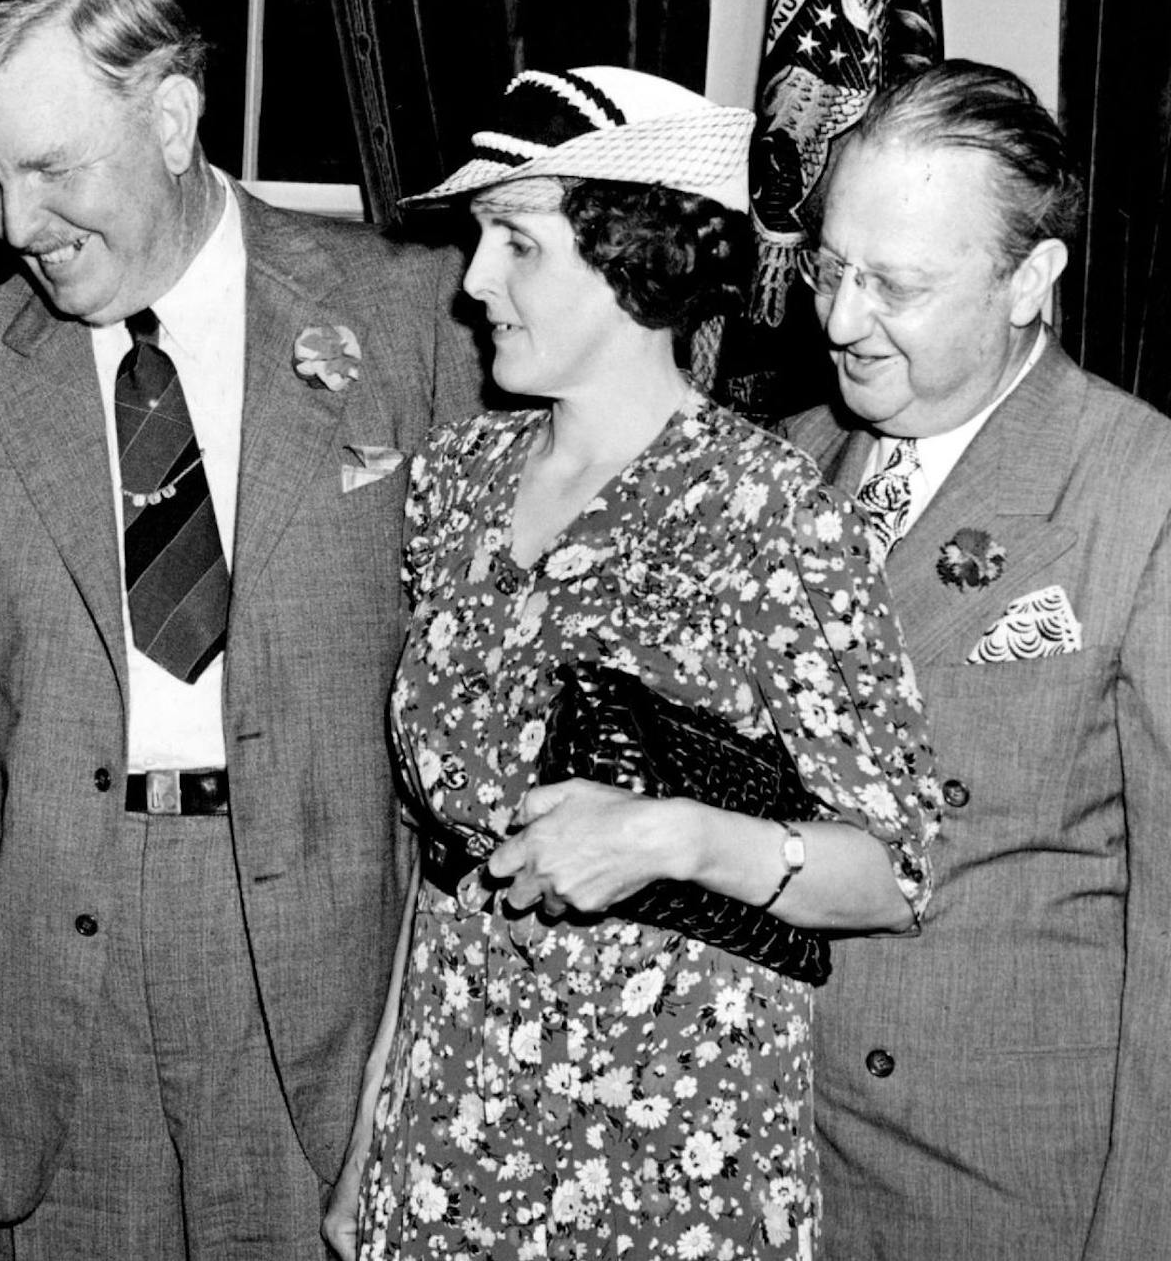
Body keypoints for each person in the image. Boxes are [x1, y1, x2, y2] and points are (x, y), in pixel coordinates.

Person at [0, 0, 481, 1259]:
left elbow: (483, 695)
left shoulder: (414, 318)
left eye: (53, 169)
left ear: (175, 120)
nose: (18, 222)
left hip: (329, 975)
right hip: (58, 981)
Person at [338, 67, 943, 1260]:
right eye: (479, 242)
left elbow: (897, 869)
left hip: (670, 1125)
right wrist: (375, 1116)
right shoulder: (455, 480)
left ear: (638, 259)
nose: (474, 282)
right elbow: (442, 853)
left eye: (518, 243)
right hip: (452, 1095)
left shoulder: (762, 506)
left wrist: (669, 835)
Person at [789, 60, 1171, 1260]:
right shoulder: (779, 465)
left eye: (894, 284)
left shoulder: (1135, 493)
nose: (843, 320)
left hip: (1002, 1194)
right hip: (772, 1165)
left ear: (1029, 281)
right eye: (828, 266)